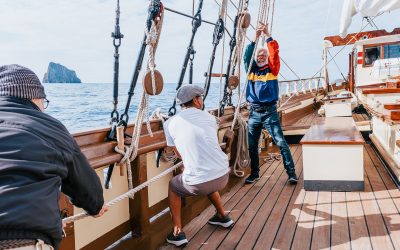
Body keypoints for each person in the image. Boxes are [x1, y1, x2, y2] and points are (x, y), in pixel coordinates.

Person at [0, 64, 107, 250]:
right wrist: (95, 207)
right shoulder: (49, 126)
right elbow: (87, 189)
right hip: (20, 241)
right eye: (44, 102)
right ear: (35, 98)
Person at [164, 85, 234, 247]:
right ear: (195, 100)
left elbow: (179, 154)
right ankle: (223, 216)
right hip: (223, 175)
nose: (202, 100)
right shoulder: (209, 118)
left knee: (174, 186)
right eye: (201, 97)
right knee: (206, 174)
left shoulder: (169, 124)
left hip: (200, 182)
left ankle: (177, 232)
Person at [243, 24, 298, 184]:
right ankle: (255, 174)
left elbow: (274, 52)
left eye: (263, 54)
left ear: (266, 57)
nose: (261, 56)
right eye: (258, 54)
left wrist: (267, 35)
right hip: (254, 113)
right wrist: (255, 38)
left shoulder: (272, 69)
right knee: (252, 146)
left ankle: (292, 173)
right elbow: (247, 56)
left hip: (269, 112)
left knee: (280, 142)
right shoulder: (251, 70)